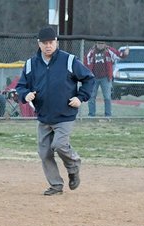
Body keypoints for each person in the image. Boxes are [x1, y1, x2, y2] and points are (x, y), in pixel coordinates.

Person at [16, 26, 95, 196]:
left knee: (59, 145)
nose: (48, 46)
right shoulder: (31, 64)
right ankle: (56, 185)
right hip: (44, 116)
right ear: (39, 44)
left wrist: (80, 98)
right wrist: (25, 94)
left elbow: (88, 79)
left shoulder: (69, 60)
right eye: (44, 43)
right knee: (44, 152)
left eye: (51, 42)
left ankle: (73, 168)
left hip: (65, 114)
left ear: (56, 42)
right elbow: (21, 86)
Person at [84, 41, 127, 117]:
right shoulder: (91, 52)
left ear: (105, 44)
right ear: (96, 44)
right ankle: (91, 115)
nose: (101, 45)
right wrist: (88, 75)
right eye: (99, 43)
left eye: (102, 43)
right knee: (91, 96)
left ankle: (108, 114)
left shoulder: (109, 51)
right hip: (94, 78)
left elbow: (119, 55)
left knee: (107, 97)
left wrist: (125, 53)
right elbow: (86, 62)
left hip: (105, 78)